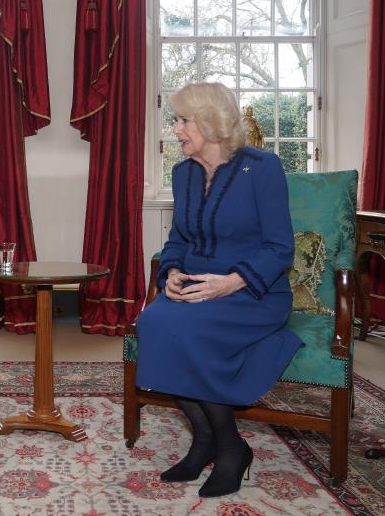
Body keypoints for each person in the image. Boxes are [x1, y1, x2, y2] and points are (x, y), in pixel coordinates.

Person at [136, 82, 302, 498]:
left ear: (210, 121)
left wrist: (231, 282)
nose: (175, 129)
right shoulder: (183, 173)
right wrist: (171, 271)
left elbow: (280, 247)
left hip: (253, 292)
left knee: (186, 333)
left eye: (182, 120)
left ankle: (231, 448)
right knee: (153, 322)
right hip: (197, 287)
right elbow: (179, 239)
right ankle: (205, 438)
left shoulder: (262, 167)